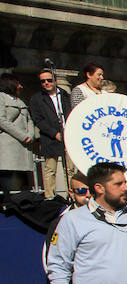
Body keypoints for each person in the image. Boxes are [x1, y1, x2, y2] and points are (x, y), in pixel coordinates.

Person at [30, 69, 74, 199]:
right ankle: (50, 197)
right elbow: (38, 120)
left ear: (55, 80)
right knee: (50, 170)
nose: (46, 83)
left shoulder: (65, 95)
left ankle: (72, 195)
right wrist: (54, 134)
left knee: (70, 169)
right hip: (49, 137)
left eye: (49, 80)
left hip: (68, 135)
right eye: (43, 81)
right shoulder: (37, 98)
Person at [0, 73, 35, 206]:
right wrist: (23, 136)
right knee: (9, 183)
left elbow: (29, 120)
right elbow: (2, 120)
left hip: (24, 147)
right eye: (18, 83)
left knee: (23, 183)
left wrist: (30, 135)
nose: (21, 86)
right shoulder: (1, 98)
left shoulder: (20, 101)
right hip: (8, 147)